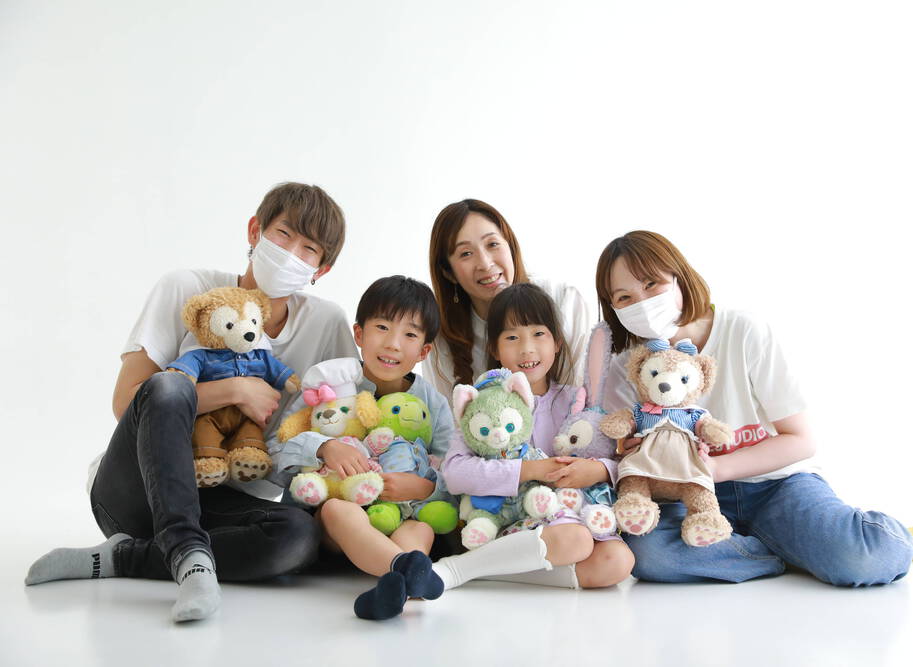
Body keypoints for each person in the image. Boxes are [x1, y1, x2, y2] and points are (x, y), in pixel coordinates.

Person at [25, 182, 357, 621]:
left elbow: (349, 416)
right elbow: (128, 401)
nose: (291, 253)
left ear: (322, 268)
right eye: (283, 234)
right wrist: (234, 390)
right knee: (168, 385)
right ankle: (186, 554)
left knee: (296, 537)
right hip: (137, 493)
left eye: (308, 249)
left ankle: (127, 558)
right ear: (255, 231)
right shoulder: (188, 288)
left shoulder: (327, 323)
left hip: (223, 503)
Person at [595, 230, 913, 586]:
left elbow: (801, 439)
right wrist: (632, 453)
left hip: (777, 485)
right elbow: (623, 448)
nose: (643, 302)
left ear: (680, 277)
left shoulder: (742, 331)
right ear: (613, 308)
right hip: (687, 496)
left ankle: (889, 540)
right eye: (624, 297)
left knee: (865, 558)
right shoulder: (626, 366)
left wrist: (718, 468)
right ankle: (786, 553)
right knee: (650, 556)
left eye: (652, 284)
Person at [268, 276, 453, 620]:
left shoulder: (434, 403)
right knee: (339, 511)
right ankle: (404, 572)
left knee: (421, 528)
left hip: (397, 518)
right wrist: (324, 447)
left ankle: (396, 588)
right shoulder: (329, 385)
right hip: (332, 531)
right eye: (382, 327)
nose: (393, 344)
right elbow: (275, 452)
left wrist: (426, 488)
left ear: (424, 351)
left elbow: (455, 470)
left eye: (410, 334)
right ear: (359, 334)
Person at [432, 284, 634, 590]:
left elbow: (619, 459)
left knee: (617, 560)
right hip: (509, 520)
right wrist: (530, 470)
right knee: (575, 538)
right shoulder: (483, 406)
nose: (527, 349)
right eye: (512, 337)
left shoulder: (577, 400)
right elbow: (454, 473)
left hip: (570, 515)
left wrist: (598, 470)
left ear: (556, 342)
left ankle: (482, 570)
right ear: (495, 349)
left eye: (538, 334)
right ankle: (457, 569)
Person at [425, 198, 590, 396]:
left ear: (510, 247)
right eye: (466, 253)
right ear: (448, 272)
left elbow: (582, 396)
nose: (485, 263)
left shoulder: (563, 300)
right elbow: (446, 412)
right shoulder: (440, 337)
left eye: (492, 244)